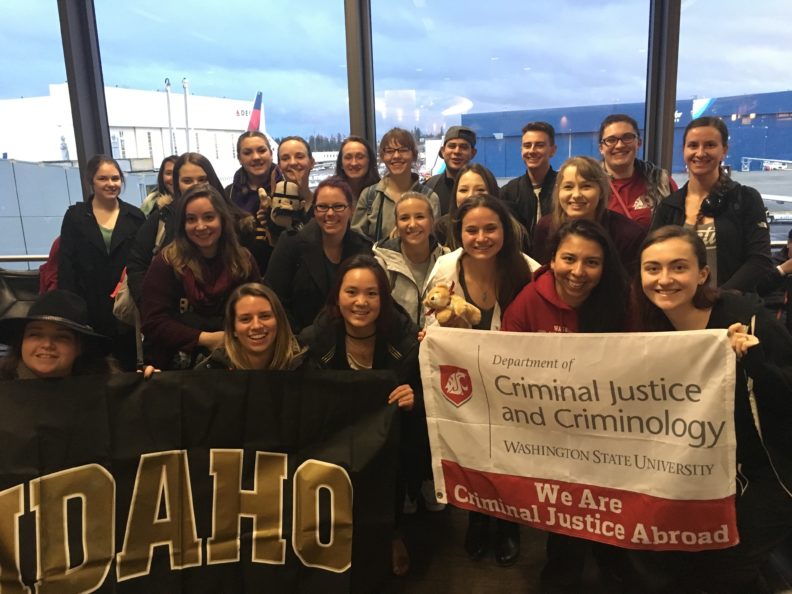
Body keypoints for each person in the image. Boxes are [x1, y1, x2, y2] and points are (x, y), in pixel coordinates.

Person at [629, 225, 792, 593]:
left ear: (703, 273)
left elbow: (785, 398)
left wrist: (755, 361)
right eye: (652, 268)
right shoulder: (648, 328)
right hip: (698, 470)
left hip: (767, 471)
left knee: (726, 568)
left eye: (678, 267)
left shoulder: (746, 317)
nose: (664, 279)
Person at [502, 219, 629, 591]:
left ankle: (613, 562)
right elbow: (504, 364)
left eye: (592, 262)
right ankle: (562, 569)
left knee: (612, 507)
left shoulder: (621, 300)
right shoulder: (528, 300)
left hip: (611, 428)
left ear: (605, 267)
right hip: (552, 430)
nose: (578, 272)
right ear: (552, 260)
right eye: (569, 259)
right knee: (567, 512)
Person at [425, 194, 538, 567]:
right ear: (460, 233)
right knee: (472, 449)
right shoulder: (445, 266)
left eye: (491, 228)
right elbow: (429, 316)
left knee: (510, 453)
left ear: (505, 230)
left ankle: (508, 522)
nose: (481, 237)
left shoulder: (529, 270)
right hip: (464, 381)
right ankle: (477, 514)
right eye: (471, 230)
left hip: (512, 382)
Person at [298, 254, 419, 576]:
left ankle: (392, 530)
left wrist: (414, 398)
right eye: (351, 292)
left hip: (388, 449)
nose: (361, 302)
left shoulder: (406, 339)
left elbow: (433, 400)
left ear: (384, 298)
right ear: (337, 296)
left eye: (371, 293)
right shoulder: (315, 338)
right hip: (332, 438)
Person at [141, 184, 260, 369]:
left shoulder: (244, 261)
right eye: (191, 219)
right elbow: (152, 322)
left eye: (209, 217)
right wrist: (206, 339)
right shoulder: (165, 263)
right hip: (175, 368)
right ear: (182, 224)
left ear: (222, 219)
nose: (201, 226)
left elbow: (256, 314)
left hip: (235, 361)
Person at [651, 116, 772, 292]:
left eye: (709, 145)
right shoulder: (669, 206)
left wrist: (717, 300)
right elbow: (653, 256)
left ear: (724, 150)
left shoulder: (745, 199)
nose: (700, 153)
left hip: (731, 308)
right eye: (693, 145)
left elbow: (759, 261)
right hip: (679, 308)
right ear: (684, 150)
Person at [127, 152, 254, 306]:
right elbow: (137, 265)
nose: (196, 185)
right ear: (177, 184)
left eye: (202, 179)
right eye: (187, 181)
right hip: (174, 318)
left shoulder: (236, 221)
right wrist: (150, 304)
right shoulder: (162, 216)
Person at [58, 154, 145, 370]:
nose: (111, 184)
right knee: (90, 367)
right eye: (103, 178)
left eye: (115, 178)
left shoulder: (135, 217)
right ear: (91, 182)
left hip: (124, 307)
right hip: (87, 306)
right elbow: (66, 265)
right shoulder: (75, 216)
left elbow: (143, 264)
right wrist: (71, 311)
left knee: (128, 366)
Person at [265, 176, 372, 333]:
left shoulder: (363, 249)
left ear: (351, 209)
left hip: (349, 339)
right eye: (322, 207)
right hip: (299, 342)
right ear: (314, 210)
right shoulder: (291, 244)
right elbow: (274, 300)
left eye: (338, 207)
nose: (330, 213)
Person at [531, 155, 646, 273]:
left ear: (601, 191)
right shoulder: (546, 227)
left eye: (586, 186)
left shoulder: (629, 236)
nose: (576, 195)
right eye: (568, 187)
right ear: (558, 190)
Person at [0, 290, 116, 379]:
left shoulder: (109, 397)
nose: (47, 344)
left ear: (80, 347)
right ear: (21, 343)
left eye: (62, 337)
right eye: (35, 335)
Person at [374, 192, 447, 331]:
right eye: (404, 218)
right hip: (395, 348)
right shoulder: (381, 264)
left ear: (432, 221)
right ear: (396, 224)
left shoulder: (446, 260)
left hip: (435, 346)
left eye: (420, 217)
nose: (412, 224)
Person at [352, 128, 440, 243]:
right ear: (382, 156)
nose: (396, 156)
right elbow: (356, 241)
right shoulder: (370, 196)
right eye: (389, 151)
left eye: (403, 150)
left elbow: (434, 242)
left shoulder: (429, 198)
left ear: (414, 155)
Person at [196, 282, 305, 370]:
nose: (256, 326)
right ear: (233, 329)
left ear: (279, 321)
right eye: (245, 319)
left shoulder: (303, 366)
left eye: (265, 316)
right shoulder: (210, 372)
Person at [598, 113, 676, 229]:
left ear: (639, 143)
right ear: (601, 149)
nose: (619, 145)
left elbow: (677, 225)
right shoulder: (590, 183)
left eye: (627, 137)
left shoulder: (661, 182)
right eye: (611, 140)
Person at [501, 121, 559, 241]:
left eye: (539, 145)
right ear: (521, 150)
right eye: (527, 145)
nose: (532, 151)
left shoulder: (564, 187)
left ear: (553, 150)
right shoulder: (508, 192)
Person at [434, 163, 499, 250]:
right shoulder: (441, 228)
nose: (470, 196)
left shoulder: (512, 228)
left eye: (480, 190)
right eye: (463, 190)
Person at [425, 126, 478, 215]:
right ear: (443, 151)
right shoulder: (429, 188)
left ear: (473, 153)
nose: (457, 151)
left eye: (464, 147)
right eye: (452, 146)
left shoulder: (486, 187)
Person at [225, 131, 281, 215]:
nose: (256, 157)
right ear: (239, 158)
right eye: (247, 153)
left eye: (262, 151)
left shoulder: (289, 188)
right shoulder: (229, 194)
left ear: (271, 154)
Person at [757, 228, 792, 333]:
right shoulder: (769, 261)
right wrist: (782, 270)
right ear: (789, 243)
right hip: (774, 320)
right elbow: (757, 287)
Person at [335, 135, 380, 200]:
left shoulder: (381, 193)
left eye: (360, 157)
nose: (354, 163)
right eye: (348, 157)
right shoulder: (330, 192)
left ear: (369, 161)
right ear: (341, 163)